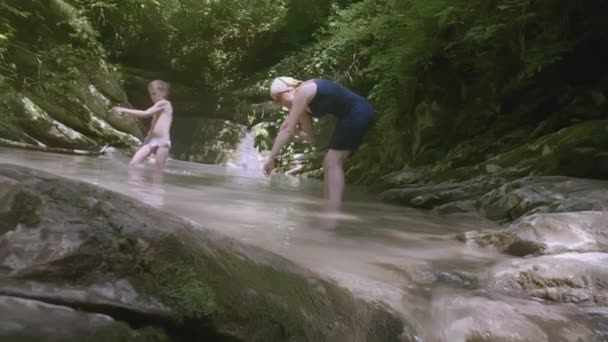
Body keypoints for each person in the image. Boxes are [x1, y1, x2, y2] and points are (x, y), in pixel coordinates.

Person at [263, 77, 374, 209]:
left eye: (279, 99)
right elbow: (312, 138)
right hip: (350, 116)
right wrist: (296, 133)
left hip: (358, 111)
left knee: (332, 161)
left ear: (290, 90)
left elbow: (287, 127)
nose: (279, 104)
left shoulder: (303, 91)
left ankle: (332, 211)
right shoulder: (303, 107)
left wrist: (271, 158)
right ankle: (329, 206)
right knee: (328, 162)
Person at [112, 80, 173, 170]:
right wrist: (145, 141)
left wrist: (124, 110)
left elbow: (145, 113)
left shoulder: (165, 103)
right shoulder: (157, 108)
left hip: (162, 142)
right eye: (151, 94)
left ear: (163, 92)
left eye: (154, 94)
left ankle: (156, 184)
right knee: (133, 164)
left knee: (158, 170)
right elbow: (153, 127)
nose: (152, 97)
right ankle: (135, 183)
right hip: (151, 141)